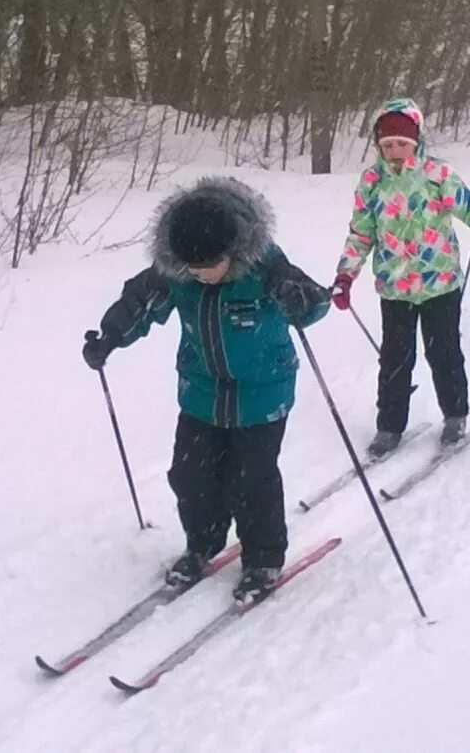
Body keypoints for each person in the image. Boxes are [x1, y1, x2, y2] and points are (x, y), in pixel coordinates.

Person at [82, 176, 330, 603]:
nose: (201, 276)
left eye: (208, 268)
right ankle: (204, 542)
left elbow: (316, 302)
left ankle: (263, 559)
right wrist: (110, 337)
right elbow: (139, 301)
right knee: (190, 474)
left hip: (262, 395)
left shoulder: (266, 269)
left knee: (251, 481)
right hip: (201, 394)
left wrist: (300, 301)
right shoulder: (178, 272)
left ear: (232, 252)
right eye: (192, 270)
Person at [334, 99, 470, 458]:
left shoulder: (437, 175)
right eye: (387, 144)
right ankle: (389, 426)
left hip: (440, 283)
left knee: (443, 352)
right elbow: (361, 233)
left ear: (416, 141)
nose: (394, 151)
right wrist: (346, 275)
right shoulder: (372, 182)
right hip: (395, 287)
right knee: (395, 358)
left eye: (401, 143)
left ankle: (455, 414)